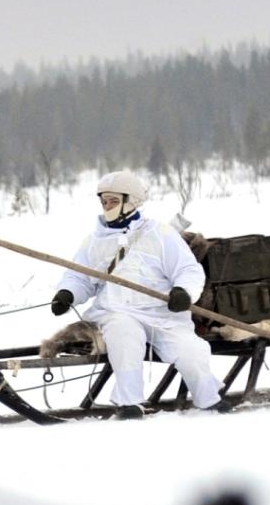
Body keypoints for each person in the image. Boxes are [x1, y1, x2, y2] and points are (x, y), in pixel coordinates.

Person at [49, 170, 221, 418]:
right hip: (115, 312)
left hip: (163, 315)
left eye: (113, 201)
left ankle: (210, 401)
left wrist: (183, 292)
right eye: (104, 201)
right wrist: (67, 294)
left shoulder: (160, 234)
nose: (107, 206)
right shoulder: (93, 241)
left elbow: (188, 270)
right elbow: (79, 278)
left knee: (192, 351)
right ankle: (130, 403)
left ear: (131, 201)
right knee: (124, 336)